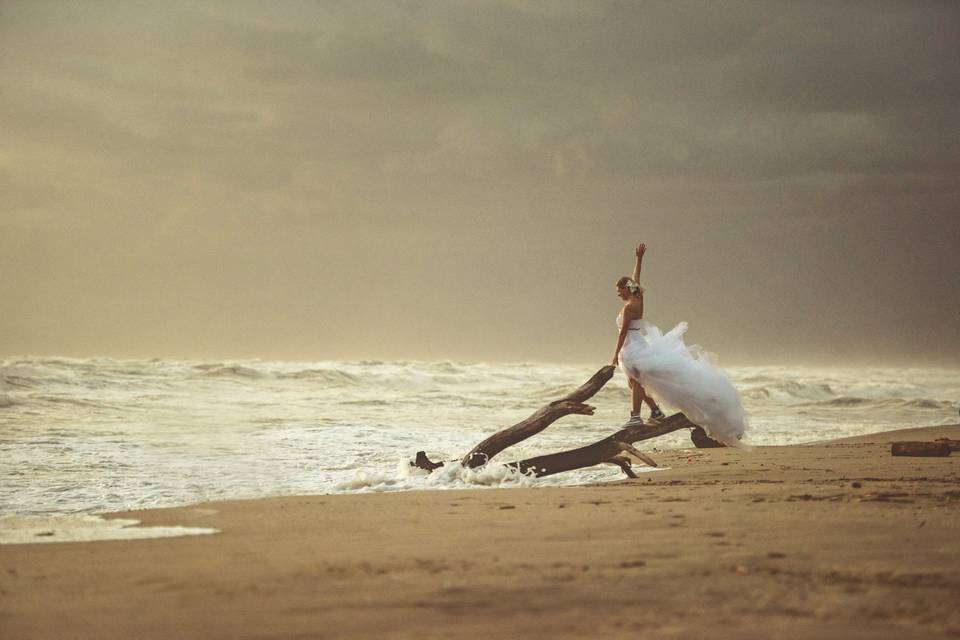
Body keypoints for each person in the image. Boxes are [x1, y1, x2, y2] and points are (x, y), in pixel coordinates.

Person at [611, 243, 748, 446]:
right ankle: (655, 412)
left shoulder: (632, 306)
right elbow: (636, 279)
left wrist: (614, 355)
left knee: (637, 382)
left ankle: (636, 417)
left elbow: (623, 332)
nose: (618, 294)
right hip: (635, 345)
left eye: (619, 290)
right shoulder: (637, 296)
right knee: (633, 382)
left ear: (625, 289)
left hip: (632, 347)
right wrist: (639, 260)